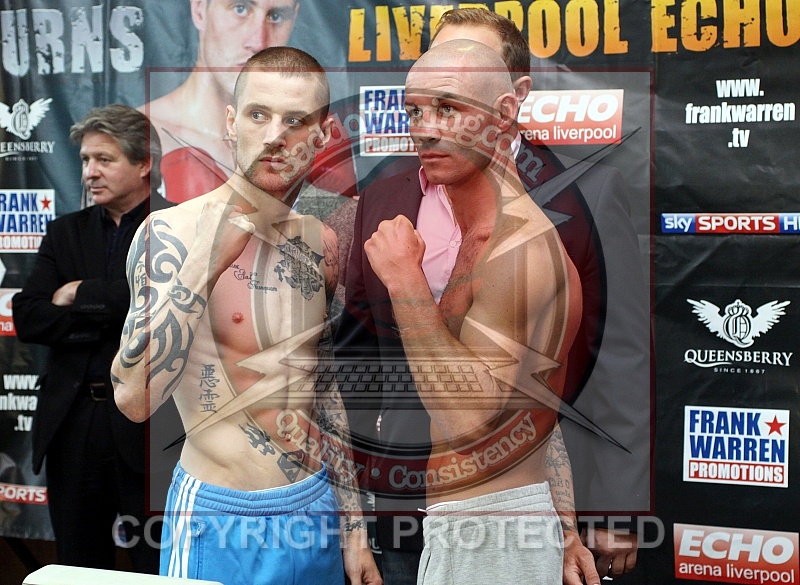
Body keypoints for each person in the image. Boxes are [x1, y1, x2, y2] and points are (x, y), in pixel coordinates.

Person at [337, 8, 649, 582]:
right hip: (405, 503)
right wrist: (353, 518)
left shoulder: (574, 202)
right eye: (418, 106)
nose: (428, 126)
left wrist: (602, 511)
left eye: (452, 101)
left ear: (509, 100)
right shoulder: (383, 197)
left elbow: (614, 362)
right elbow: (356, 357)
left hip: (505, 511)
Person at [112, 47, 381, 585]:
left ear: (323, 135)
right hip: (219, 516)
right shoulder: (170, 234)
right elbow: (134, 400)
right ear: (232, 122)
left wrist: (353, 528)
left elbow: (322, 387)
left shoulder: (320, 244)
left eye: (295, 120)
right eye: (259, 114)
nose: (275, 136)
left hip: (314, 507)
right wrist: (204, 266)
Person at [12, 104, 171, 572]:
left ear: (143, 164)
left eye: (104, 159)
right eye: (84, 160)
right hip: (73, 423)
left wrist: (79, 294)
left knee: (156, 566)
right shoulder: (65, 232)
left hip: (151, 428)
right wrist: (116, 309)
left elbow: (164, 307)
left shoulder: (179, 225)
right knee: (77, 567)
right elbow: (30, 318)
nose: (89, 172)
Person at [142, 0, 354, 203]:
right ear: (199, 9)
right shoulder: (142, 135)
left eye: (276, 16)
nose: (259, 42)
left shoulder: (318, 145)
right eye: (240, 8)